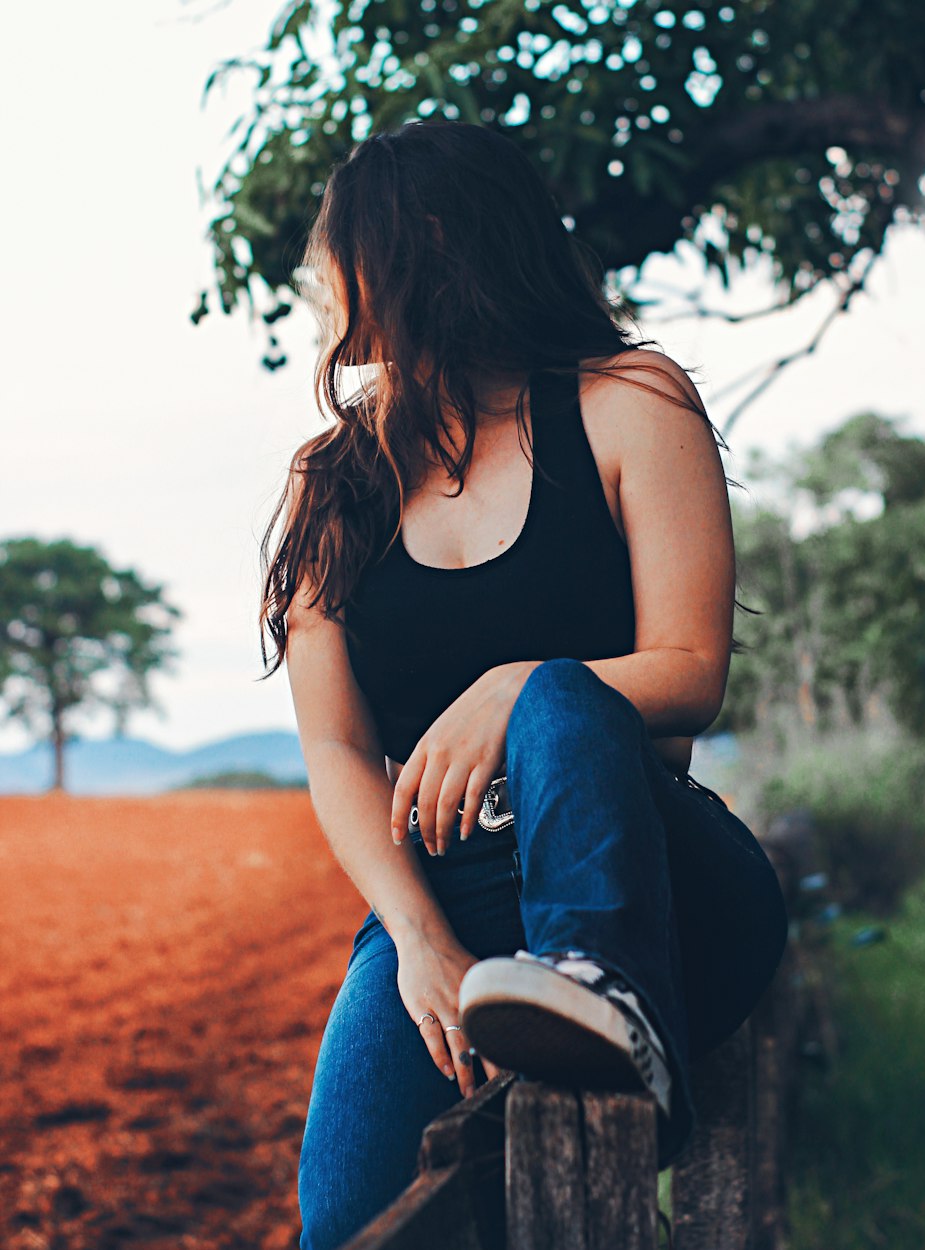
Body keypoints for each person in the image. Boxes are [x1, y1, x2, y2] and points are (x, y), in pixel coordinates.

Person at [258, 118, 789, 1250]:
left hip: (653, 879)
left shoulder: (627, 399)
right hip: (451, 896)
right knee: (348, 1215)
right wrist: (417, 938)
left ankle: (611, 995)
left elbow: (692, 672)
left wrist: (518, 684)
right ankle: (540, 990)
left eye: (336, 249)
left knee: (552, 690)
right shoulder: (332, 479)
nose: (317, 279)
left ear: (425, 244)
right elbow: (341, 749)